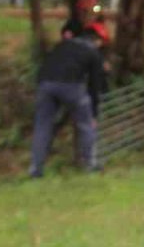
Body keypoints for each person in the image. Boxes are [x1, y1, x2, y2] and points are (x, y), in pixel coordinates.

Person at [29, 30, 108, 178]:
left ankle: (35, 169)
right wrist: (94, 114)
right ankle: (90, 164)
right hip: (72, 86)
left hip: (45, 84)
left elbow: (45, 64)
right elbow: (95, 84)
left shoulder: (62, 45)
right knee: (86, 124)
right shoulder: (93, 52)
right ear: (96, 41)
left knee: (42, 125)